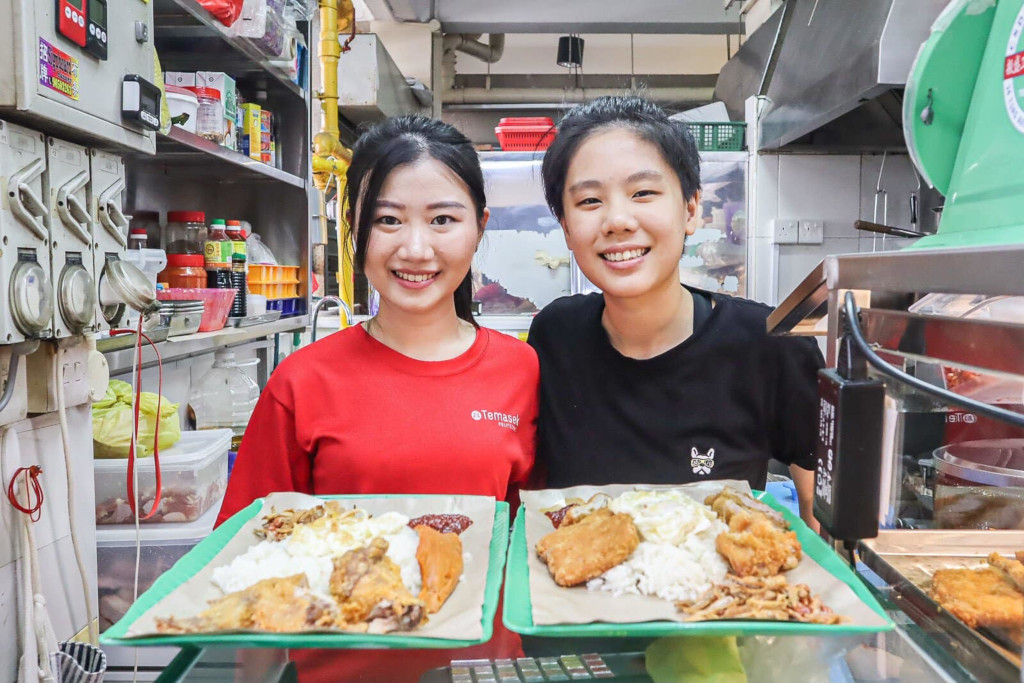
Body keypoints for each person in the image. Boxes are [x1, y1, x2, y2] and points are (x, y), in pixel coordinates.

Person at [218, 115, 539, 681]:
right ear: (354, 228)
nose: (415, 248)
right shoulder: (303, 381)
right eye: (387, 220)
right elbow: (252, 564)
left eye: (443, 219)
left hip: (482, 671)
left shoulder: (522, 369)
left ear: (479, 227)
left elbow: (535, 542)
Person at [528, 95, 822, 529]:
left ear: (690, 209)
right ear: (566, 227)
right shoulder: (555, 335)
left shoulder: (768, 342)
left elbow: (822, 515)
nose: (617, 220)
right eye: (589, 201)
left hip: (725, 594)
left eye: (643, 193)